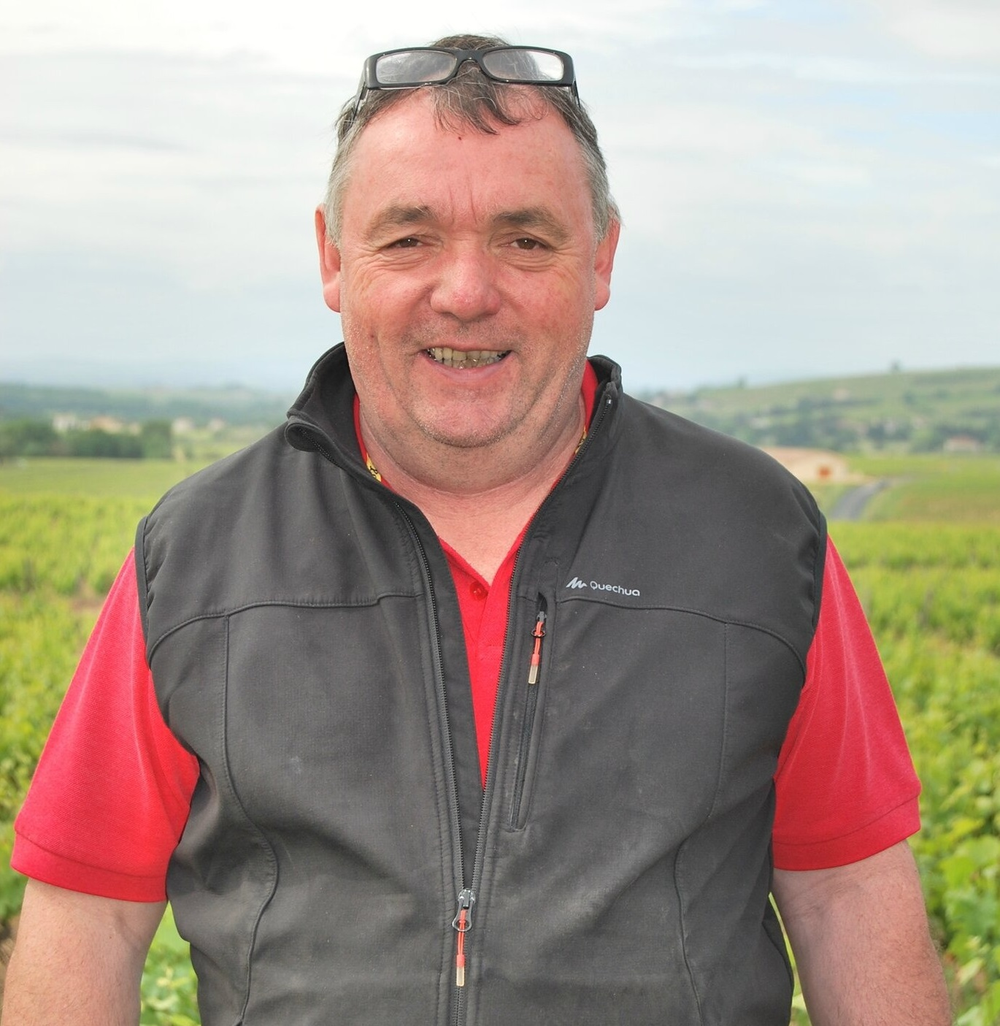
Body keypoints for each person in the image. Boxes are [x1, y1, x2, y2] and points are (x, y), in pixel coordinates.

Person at [3, 33, 951, 1026]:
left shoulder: (757, 536)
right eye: (408, 238)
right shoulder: (196, 554)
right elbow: (89, 918)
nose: (464, 291)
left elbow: (849, 893)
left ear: (601, 260)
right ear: (334, 258)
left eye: (524, 239)